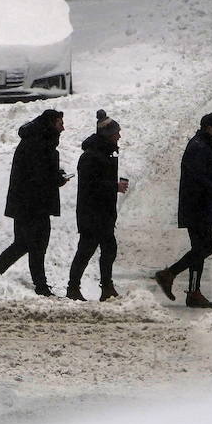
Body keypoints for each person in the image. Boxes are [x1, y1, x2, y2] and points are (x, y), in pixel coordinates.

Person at [155, 112, 212, 308]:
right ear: (210, 129)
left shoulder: (203, 145)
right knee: (204, 248)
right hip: (198, 208)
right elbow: (201, 181)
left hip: (199, 206)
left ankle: (193, 292)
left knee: (201, 249)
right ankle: (170, 275)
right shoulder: (199, 148)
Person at [0, 109, 68, 296]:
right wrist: (57, 179)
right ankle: (40, 286)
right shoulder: (39, 143)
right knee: (36, 244)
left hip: (26, 204)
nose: (63, 128)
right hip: (34, 205)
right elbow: (39, 175)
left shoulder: (34, 140)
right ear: (51, 124)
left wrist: (55, 176)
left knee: (23, 243)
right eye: (60, 123)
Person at [66, 110, 128, 302]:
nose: (119, 136)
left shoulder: (106, 153)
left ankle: (105, 287)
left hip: (103, 212)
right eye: (116, 133)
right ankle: (74, 288)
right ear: (107, 135)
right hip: (92, 213)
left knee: (108, 248)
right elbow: (90, 185)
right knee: (86, 250)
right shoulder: (91, 156)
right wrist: (114, 186)